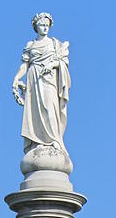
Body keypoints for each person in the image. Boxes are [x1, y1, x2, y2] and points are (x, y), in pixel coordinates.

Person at [12, 12, 71, 156]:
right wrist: (16, 79)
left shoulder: (54, 44)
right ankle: (37, 142)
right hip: (33, 81)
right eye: (42, 25)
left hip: (49, 80)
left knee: (50, 108)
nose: (45, 28)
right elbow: (24, 66)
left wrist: (52, 65)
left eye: (47, 25)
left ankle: (54, 139)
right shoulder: (31, 45)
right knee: (35, 113)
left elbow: (63, 62)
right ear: (36, 27)